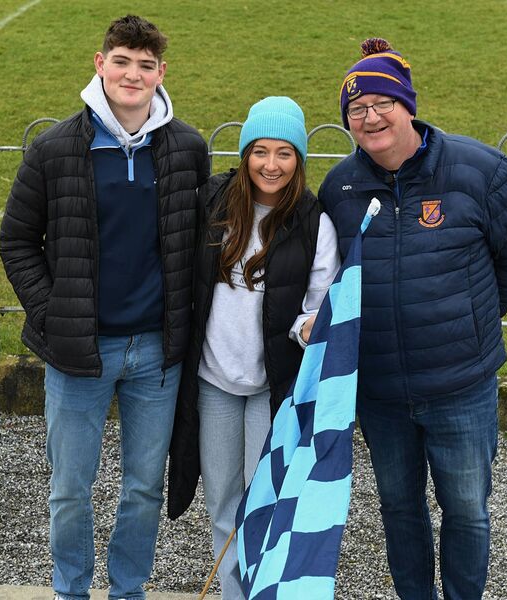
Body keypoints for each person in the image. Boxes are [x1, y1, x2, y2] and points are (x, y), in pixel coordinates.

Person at [318, 38, 507, 600]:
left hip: (460, 384)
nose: (370, 118)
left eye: (381, 103)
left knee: (466, 509)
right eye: (356, 110)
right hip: (381, 387)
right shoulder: (339, 187)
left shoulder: (481, 169)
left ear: (407, 105)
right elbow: (330, 275)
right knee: (398, 506)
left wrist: (472, 318)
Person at [0, 15, 209, 600]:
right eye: (122, 61)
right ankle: (70, 589)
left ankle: (127, 590)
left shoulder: (187, 147)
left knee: (143, 486)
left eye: (146, 65)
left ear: (161, 74)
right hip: (78, 352)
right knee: (69, 487)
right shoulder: (54, 148)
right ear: (100, 64)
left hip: (156, 354)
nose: (132, 74)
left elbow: (197, 241)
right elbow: (16, 240)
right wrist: (49, 310)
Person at [167, 96, 341, 599]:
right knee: (223, 501)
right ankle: (232, 593)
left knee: (264, 499)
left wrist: (308, 327)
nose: (271, 164)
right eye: (260, 151)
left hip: (272, 387)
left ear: (299, 160)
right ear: (244, 154)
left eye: (284, 153)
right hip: (215, 382)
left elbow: (318, 299)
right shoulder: (214, 203)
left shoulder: (313, 221)